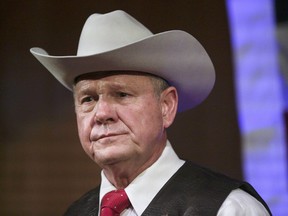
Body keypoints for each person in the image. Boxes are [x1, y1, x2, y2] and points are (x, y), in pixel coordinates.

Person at [30, 10, 272, 216]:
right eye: (88, 99)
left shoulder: (227, 209)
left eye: (122, 94)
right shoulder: (75, 212)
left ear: (166, 106)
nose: (102, 113)